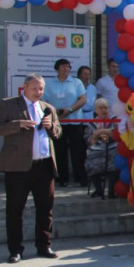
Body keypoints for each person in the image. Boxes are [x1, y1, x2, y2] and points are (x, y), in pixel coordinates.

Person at [0, 73, 62, 263]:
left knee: (45, 208)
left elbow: (58, 132)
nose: (38, 92)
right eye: (34, 88)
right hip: (18, 167)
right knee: (15, 210)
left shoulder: (48, 108)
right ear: (24, 87)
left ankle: (44, 245)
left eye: (41, 89)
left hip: (44, 165)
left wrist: (51, 126)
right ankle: (15, 250)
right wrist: (18, 124)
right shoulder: (9, 104)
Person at [43, 58, 87, 187]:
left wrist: (70, 110)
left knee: (78, 151)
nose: (66, 69)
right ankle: (62, 177)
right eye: (63, 66)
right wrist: (54, 111)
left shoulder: (76, 82)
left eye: (68, 66)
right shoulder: (49, 84)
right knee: (59, 151)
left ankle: (80, 177)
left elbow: (83, 99)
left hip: (74, 121)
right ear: (57, 68)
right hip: (58, 122)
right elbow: (43, 102)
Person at [84, 98, 119, 198]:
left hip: (112, 148)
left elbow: (117, 134)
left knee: (114, 162)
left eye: (106, 108)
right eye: (101, 108)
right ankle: (99, 190)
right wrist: (96, 137)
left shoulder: (114, 121)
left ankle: (112, 191)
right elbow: (88, 140)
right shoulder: (91, 124)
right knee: (91, 163)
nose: (104, 110)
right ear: (96, 110)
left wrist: (101, 132)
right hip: (97, 150)